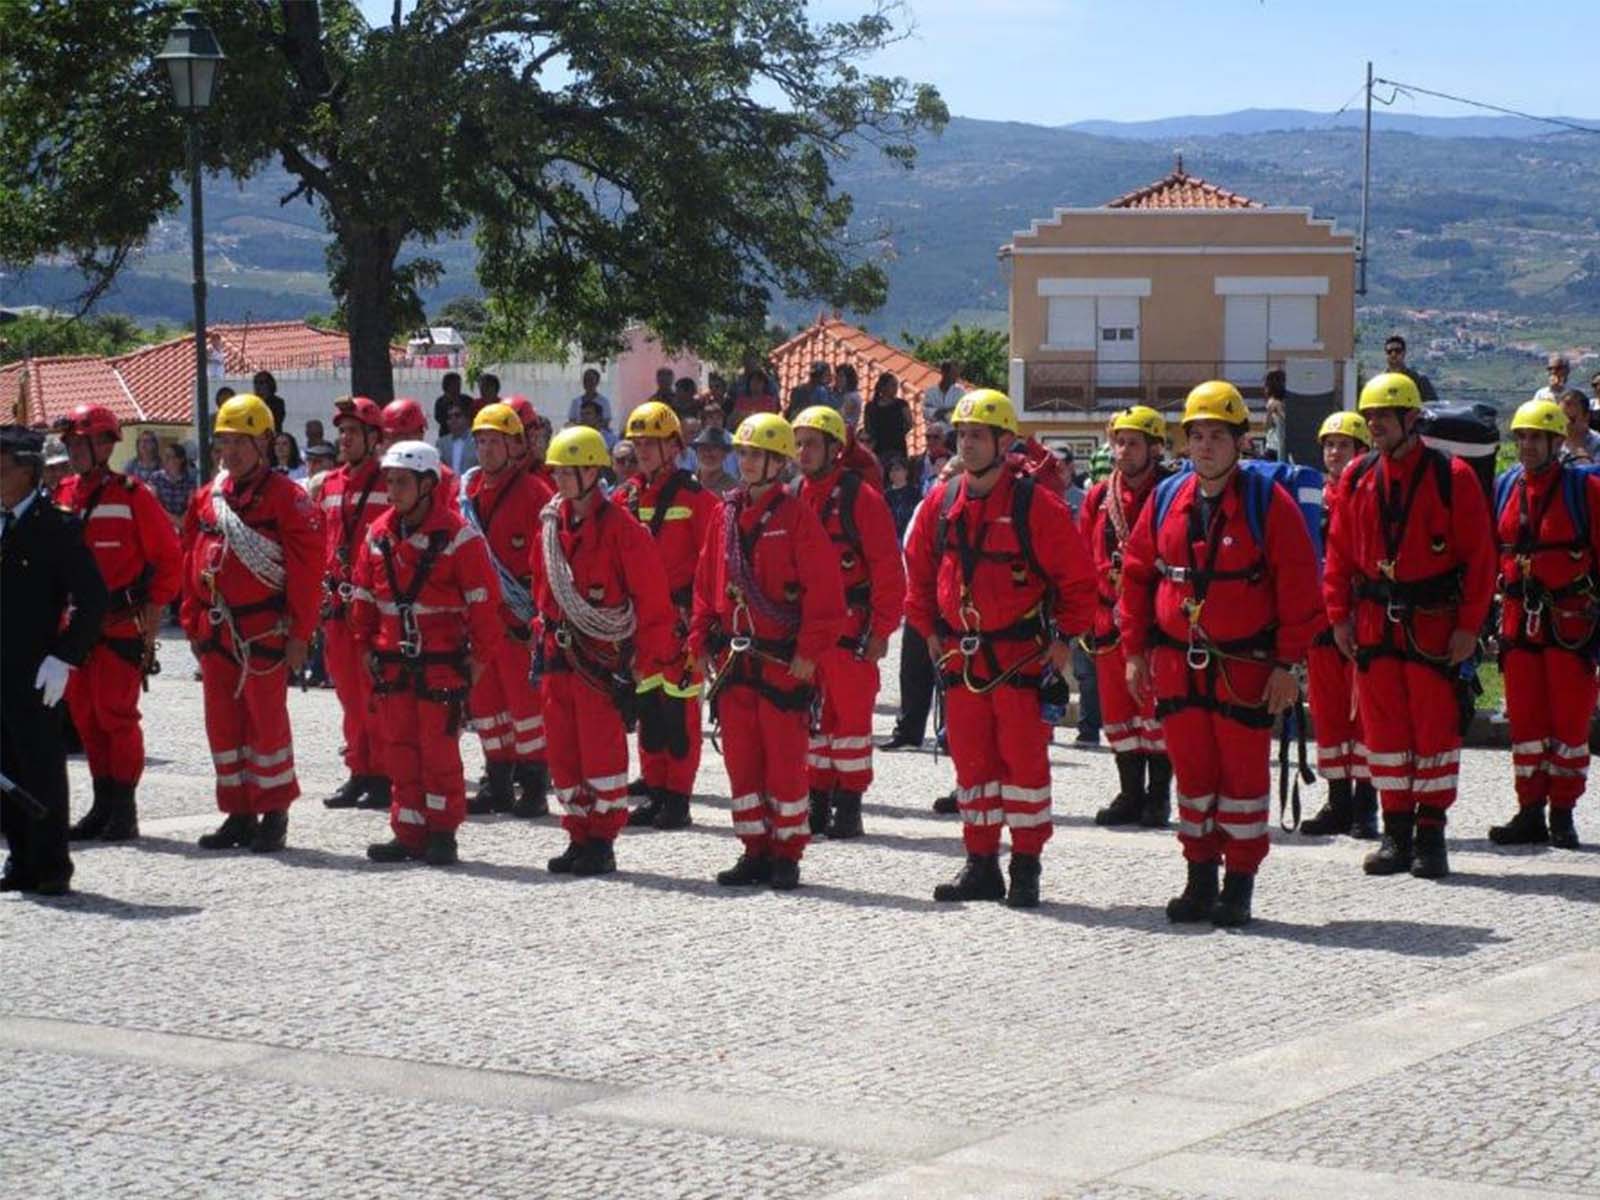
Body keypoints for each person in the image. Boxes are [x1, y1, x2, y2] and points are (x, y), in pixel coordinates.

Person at [1120, 382, 1324, 927]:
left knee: (1241, 782)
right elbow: (1137, 575)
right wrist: (1135, 651)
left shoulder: (1267, 503)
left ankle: (1238, 885)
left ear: (1240, 442)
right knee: (1193, 777)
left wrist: (1288, 666)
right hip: (1178, 669)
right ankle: (1198, 879)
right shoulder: (1167, 500)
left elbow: (1302, 589)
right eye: (1197, 435)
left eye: (1217, 435)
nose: (1205, 446)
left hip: (1246, 670)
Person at [903, 390, 1096, 907]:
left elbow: (1079, 584)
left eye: (976, 436)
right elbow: (919, 579)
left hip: (1020, 660)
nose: (965, 445)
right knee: (973, 768)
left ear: (1004, 442)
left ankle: (1026, 866)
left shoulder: (1038, 508)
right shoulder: (939, 506)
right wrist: (929, 637)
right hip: (961, 661)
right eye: (961, 435)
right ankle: (981, 863)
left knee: (1024, 768)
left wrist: (1062, 644)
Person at [1324, 372, 1496, 881]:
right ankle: (1395, 834)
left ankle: (1432, 836)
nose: (1374, 424)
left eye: (1383, 415)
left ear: (1411, 419)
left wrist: (1469, 627)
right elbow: (1338, 556)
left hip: (1434, 626)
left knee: (1434, 732)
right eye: (1369, 415)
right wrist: (1338, 616)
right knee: (1385, 733)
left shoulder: (1454, 477)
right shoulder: (1357, 478)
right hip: (1375, 626)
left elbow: (1481, 560)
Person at [691, 413, 845, 890]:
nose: (748, 461)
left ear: (778, 463)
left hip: (781, 662)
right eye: (745, 452)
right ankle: (753, 848)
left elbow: (826, 593)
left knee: (783, 761)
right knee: (742, 761)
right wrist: (698, 641)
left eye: (757, 454)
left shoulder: (796, 518)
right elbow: (705, 584)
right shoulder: (724, 515)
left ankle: (787, 852)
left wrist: (810, 651)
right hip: (735, 662)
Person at [531, 427, 676, 876]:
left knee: (600, 754)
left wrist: (644, 669)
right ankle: (578, 832)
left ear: (591, 472)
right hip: (560, 661)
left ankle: (603, 839)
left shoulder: (622, 531)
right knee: (563, 754)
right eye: (555, 472)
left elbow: (652, 605)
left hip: (601, 663)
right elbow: (543, 590)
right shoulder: (551, 529)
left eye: (566, 472)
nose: (558, 481)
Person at [181, 395, 322, 853]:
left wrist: (300, 634)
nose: (232, 451)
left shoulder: (287, 499)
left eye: (241, 441)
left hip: (263, 633)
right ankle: (237, 813)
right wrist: (190, 620)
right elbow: (190, 559)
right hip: (215, 631)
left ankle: (274, 812)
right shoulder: (210, 497)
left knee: (266, 726)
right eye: (225, 442)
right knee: (223, 728)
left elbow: (306, 571)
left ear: (265, 442)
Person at [355, 441, 506, 867]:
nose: (393, 490)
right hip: (392, 664)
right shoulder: (379, 533)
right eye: (389, 481)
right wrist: (363, 642)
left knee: (438, 753)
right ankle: (408, 831)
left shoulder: (459, 537)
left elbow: (484, 604)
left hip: (441, 665)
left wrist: (478, 661)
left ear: (427, 485)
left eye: (402, 482)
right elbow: (364, 595)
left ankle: (442, 832)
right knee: (399, 751)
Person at [51, 404, 183, 844]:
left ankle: (123, 809)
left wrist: (153, 613)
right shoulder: (65, 493)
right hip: (76, 627)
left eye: (79, 444)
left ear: (104, 445)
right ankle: (102, 804)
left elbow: (168, 560)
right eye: (68, 445)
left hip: (120, 625)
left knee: (116, 717)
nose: (72, 452)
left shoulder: (132, 495)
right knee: (85, 718)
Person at [1487, 399, 1600, 851]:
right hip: (1519, 625)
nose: (1527, 446)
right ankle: (1530, 810)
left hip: (1571, 623)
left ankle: (1563, 812)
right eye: (1521, 437)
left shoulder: (1584, 490)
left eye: (1536, 437)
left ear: (1556, 442)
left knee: (1569, 725)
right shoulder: (1506, 486)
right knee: (1527, 724)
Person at [790, 406, 907, 839]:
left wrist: (881, 631)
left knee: (851, 723)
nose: (803, 452)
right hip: (806, 632)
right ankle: (817, 804)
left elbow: (888, 571)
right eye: (798, 443)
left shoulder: (861, 498)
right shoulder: (794, 495)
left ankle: (849, 806)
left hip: (851, 631)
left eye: (812, 443)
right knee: (813, 722)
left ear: (835, 450)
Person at [1, 427, 108, 895]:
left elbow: (93, 599)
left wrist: (65, 658)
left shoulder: (57, 526)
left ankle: (50, 865)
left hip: (35, 668)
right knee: (5, 769)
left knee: (41, 765)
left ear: (27, 471)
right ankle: (19, 858)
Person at [611, 402, 723, 830]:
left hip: (677, 624)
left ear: (673, 448)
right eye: (637, 443)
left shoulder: (696, 499)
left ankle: (677, 798)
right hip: (639, 626)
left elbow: (712, 564)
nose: (642, 451)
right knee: (649, 712)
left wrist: (703, 624)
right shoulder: (625, 497)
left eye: (651, 443)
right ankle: (655, 790)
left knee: (678, 715)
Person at [1080, 407, 1175, 828]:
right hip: (1107, 620)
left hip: (1155, 622)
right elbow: (1083, 557)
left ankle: (1158, 798)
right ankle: (1129, 793)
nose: (1123, 450)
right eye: (1118, 441)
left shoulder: (1170, 493)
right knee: (1117, 714)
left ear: (1154, 447)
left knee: (1155, 713)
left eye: (1133, 442)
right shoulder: (1099, 498)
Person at [461, 403, 555, 818]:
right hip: (482, 622)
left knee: (526, 710)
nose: (486, 450)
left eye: (494, 442)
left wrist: (539, 617)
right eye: (480, 441)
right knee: (487, 707)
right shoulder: (469, 493)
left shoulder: (536, 494)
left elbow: (550, 561)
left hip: (519, 624)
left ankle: (533, 787)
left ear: (514, 444)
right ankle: (497, 783)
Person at [1299, 411, 1380, 840]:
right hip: (1319, 621)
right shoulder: (1311, 498)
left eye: (1344, 445)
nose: (1334, 452)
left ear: (1362, 451)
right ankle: (1338, 802)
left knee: (1365, 716)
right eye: (1329, 444)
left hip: (1361, 616)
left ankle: (1367, 807)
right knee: (1329, 715)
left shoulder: (1370, 494)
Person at [319, 396, 393, 811]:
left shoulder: (390, 482)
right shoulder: (330, 484)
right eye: (342, 431)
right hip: (337, 605)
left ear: (374, 438)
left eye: (352, 432)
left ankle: (383, 775)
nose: (344, 439)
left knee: (375, 694)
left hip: (376, 607)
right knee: (348, 694)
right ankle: (359, 770)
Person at [863, 372, 912, 468]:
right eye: (893, 385)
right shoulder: (871, 406)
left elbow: (909, 423)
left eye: (896, 386)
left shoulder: (901, 404)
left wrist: (899, 433)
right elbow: (867, 426)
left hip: (897, 447)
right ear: (883, 387)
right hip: (878, 448)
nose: (896, 389)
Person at [152, 442, 197, 533]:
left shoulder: (189, 480)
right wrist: (175, 520)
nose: (165, 459)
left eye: (169, 456)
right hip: (161, 525)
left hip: (182, 529)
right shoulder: (156, 478)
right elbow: (154, 503)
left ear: (180, 459)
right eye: (165, 456)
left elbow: (191, 506)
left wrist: (181, 522)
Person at [1381, 336, 1438, 406]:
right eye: (1389, 351)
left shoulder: (1419, 380)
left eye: (1397, 351)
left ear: (1404, 353)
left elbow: (1432, 407)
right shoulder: (1379, 382)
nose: (1393, 354)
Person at [437, 397, 479, 475]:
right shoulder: (441, 443)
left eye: (457, 415)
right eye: (449, 417)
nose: (453, 420)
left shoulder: (478, 440)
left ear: (467, 418)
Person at [693, 426, 739, 495]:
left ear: (724, 454)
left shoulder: (734, 489)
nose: (707, 453)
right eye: (703, 448)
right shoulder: (687, 483)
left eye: (714, 448)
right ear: (696, 453)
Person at [1559, 389, 1600, 463]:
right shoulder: (1552, 440)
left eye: (1570, 419)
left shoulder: (1597, 444)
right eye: (1560, 418)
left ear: (1586, 417)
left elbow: (1594, 473)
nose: (1564, 424)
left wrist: (1576, 447)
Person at [883, 457, 920, 537]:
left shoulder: (915, 492)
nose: (894, 473)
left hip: (911, 533)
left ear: (906, 472)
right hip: (892, 535)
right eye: (891, 470)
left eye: (897, 469)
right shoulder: (885, 495)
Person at [921, 361, 965, 425]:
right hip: (935, 431)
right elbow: (925, 412)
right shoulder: (931, 392)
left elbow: (961, 413)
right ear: (943, 373)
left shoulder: (960, 392)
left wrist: (942, 413)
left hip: (952, 431)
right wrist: (944, 411)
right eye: (953, 374)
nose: (956, 377)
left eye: (957, 374)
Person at [433, 372, 472, 436]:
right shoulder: (440, 402)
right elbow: (439, 419)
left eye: (459, 384)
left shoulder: (467, 400)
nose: (458, 386)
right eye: (454, 384)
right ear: (446, 386)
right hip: (446, 434)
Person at [1262, 370, 1287, 462]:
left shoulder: (1273, 403)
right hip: (1278, 446)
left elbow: (1266, 426)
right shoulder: (1281, 403)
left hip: (1274, 447)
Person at [833, 363, 864, 430]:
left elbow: (840, 415)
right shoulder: (839, 394)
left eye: (841, 376)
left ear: (849, 378)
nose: (837, 379)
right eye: (836, 376)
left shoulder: (852, 397)